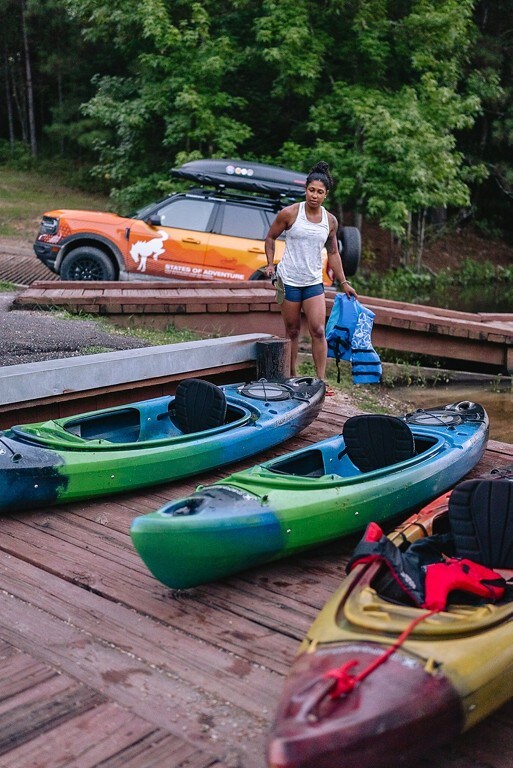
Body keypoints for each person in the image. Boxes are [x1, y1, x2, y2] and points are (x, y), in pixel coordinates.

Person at [264, 161, 357, 391]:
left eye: (320, 192)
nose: (314, 196)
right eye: (311, 190)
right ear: (306, 189)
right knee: (292, 331)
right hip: (289, 280)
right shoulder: (290, 214)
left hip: (314, 281)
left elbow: (333, 252)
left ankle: (321, 381)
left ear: (326, 195)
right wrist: (269, 265)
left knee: (318, 330)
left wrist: (344, 282)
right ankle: (292, 377)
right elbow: (270, 238)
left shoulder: (330, 221)